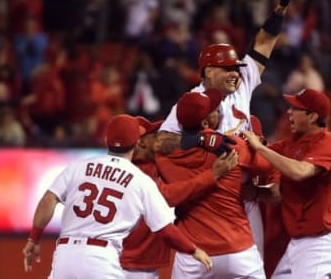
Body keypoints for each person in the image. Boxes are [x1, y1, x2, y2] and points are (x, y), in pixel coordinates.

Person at [157, 0, 296, 259]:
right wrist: (199, 139)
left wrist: (279, 10)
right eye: (227, 68)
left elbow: (264, 43)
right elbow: (161, 143)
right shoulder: (193, 101)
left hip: (244, 192)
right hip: (210, 193)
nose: (235, 73)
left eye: (236, 68)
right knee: (208, 265)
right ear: (208, 71)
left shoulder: (242, 83)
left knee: (251, 261)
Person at [22, 114, 212, 278]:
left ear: (107, 140)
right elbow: (165, 230)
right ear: (137, 142)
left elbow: (49, 199)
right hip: (100, 258)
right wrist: (193, 250)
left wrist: (33, 239)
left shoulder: (78, 166)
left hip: (64, 254)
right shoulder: (140, 180)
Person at [156, 89, 276, 279]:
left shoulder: (164, 156)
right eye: (213, 109)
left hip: (194, 254)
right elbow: (269, 166)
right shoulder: (232, 145)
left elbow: (158, 148)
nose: (219, 110)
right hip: (238, 250)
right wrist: (258, 145)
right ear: (205, 122)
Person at [242, 88, 331, 279]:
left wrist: (259, 148)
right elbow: (263, 160)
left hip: (319, 242)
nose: (288, 112)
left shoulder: (328, 143)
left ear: (313, 116)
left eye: (295, 108)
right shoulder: (293, 142)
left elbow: (300, 172)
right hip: (297, 242)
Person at [121, 116, 238, 279]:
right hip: (130, 264)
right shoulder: (139, 171)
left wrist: (200, 140)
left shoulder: (149, 165)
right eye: (155, 134)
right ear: (141, 142)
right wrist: (213, 175)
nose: (160, 138)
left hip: (132, 260)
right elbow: (167, 196)